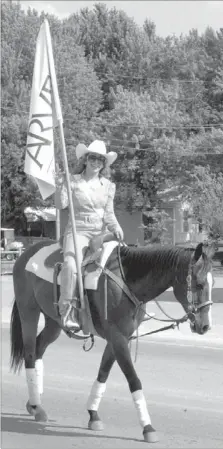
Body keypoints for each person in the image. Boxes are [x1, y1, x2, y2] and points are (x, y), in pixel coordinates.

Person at [55, 140, 124, 332]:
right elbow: (61, 205)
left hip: (100, 234)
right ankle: (67, 310)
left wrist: (116, 227)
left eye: (101, 160)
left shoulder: (108, 186)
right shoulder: (73, 181)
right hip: (77, 232)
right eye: (93, 158)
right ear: (85, 160)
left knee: (123, 261)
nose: (97, 163)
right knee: (70, 265)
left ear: (104, 164)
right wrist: (61, 184)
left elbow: (108, 214)